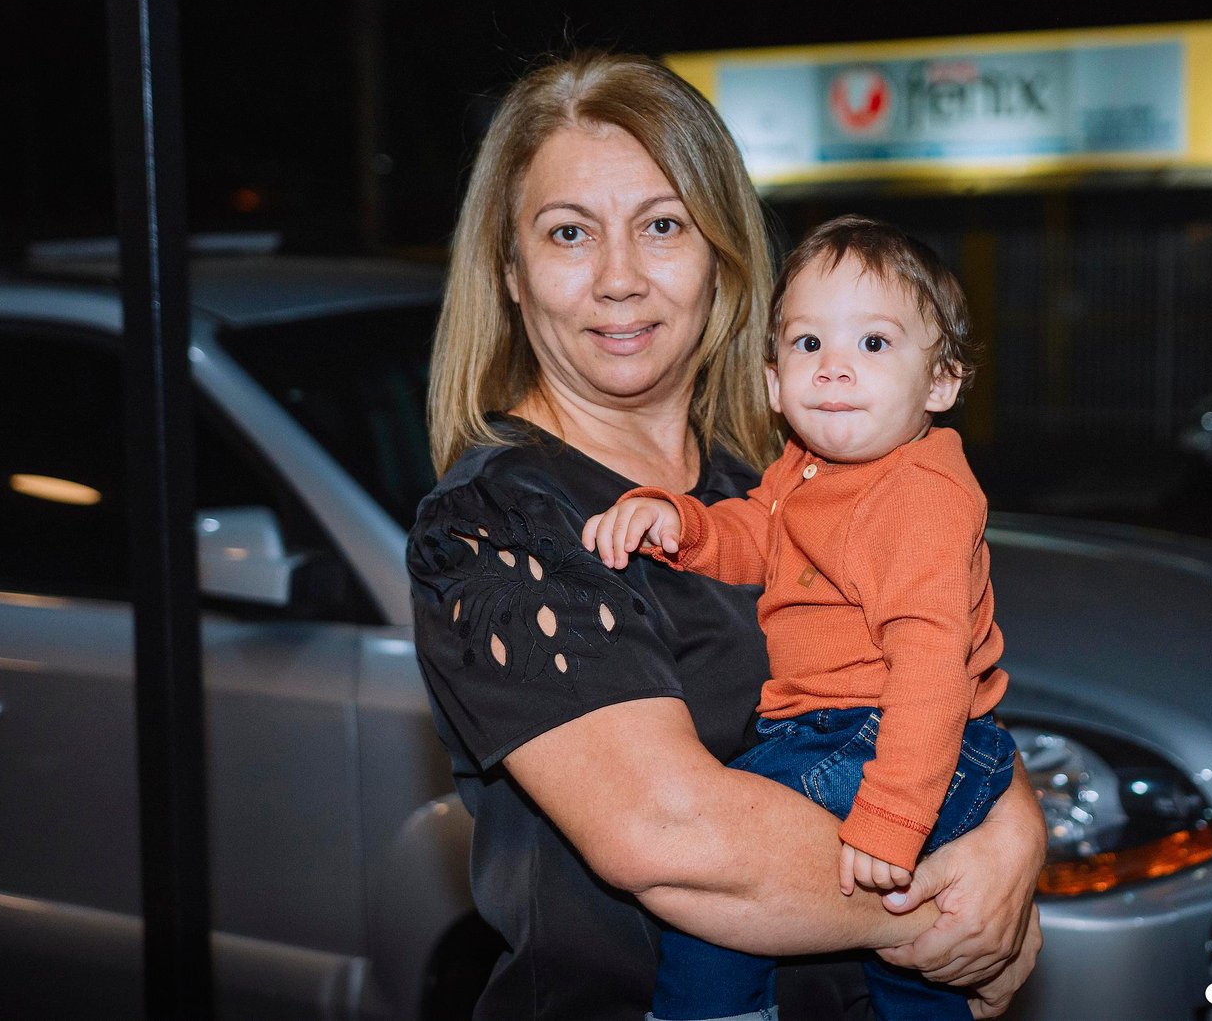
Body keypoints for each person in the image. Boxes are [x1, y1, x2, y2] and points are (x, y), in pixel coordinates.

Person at [407, 50, 1045, 1021]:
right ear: (511, 274)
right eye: (570, 232)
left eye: (662, 225)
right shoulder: (497, 522)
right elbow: (671, 836)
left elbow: (929, 672)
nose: (620, 279)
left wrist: (1018, 832)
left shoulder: (776, 477)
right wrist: (955, 903)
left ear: (722, 254)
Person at [584, 215, 1015, 1021]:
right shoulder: (807, 468)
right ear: (775, 382)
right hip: (855, 733)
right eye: (809, 343)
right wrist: (683, 523)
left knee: (718, 894)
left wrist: (893, 814)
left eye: (874, 343)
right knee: (912, 970)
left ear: (941, 383)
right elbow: (761, 530)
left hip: (886, 739)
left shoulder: (919, 495)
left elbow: (930, 670)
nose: (835, 367)